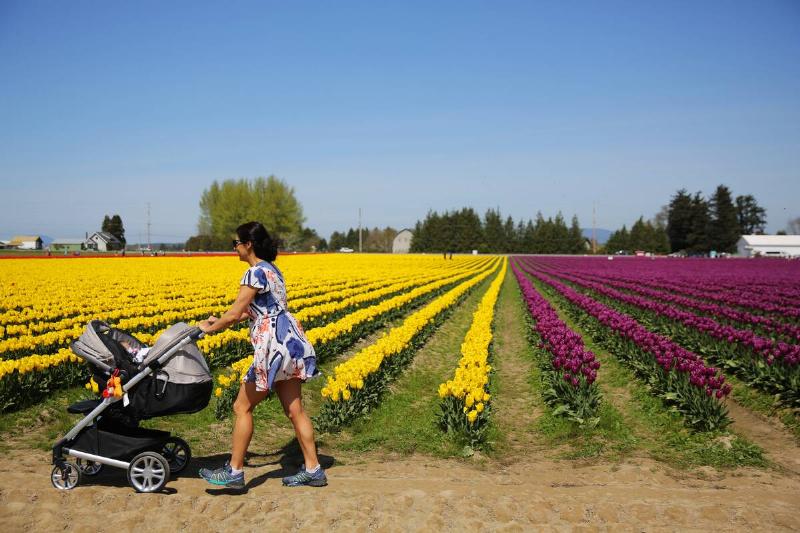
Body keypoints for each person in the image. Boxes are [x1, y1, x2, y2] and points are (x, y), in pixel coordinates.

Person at [197, 221, 326, 489]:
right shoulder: (272, 270)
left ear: (248, 245)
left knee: (241, 407)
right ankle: (313, 469)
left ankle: (234, 471)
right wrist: (217, 321)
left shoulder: (254, 273)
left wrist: (206, 330)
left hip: (272, 347)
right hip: (290, 341)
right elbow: (250, 312)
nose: (234, 248)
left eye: (236, 243)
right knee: (295, 410)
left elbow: (236, 312)